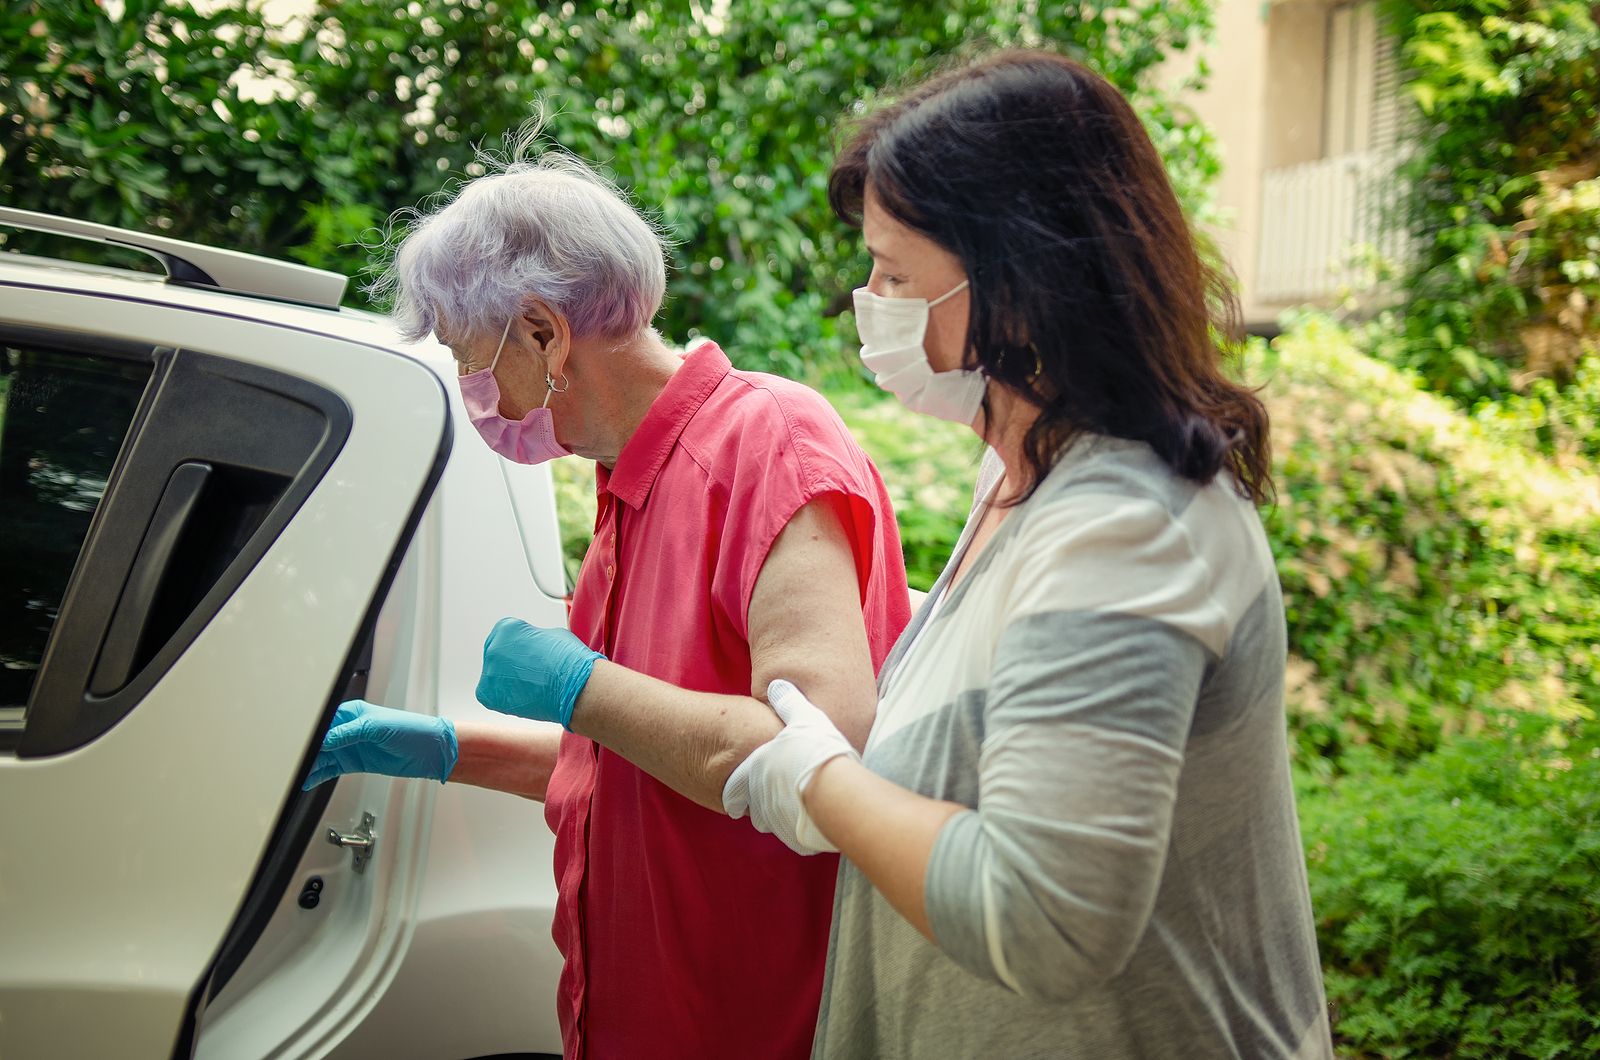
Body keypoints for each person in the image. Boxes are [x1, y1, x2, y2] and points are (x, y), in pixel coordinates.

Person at [483, 50, 1333, 1057]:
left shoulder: (1127, 529)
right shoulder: (1019, 488)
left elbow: (1043, 918)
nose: (867, 300)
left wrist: (811, 776)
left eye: (894, 272)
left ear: (1023, 280)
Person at [306, 151, 911, 1060]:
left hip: (748, 1027)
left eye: (476, 363)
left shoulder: (767, 442)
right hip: (630, 1017)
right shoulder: (627, 480)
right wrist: (445, 749)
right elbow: (633, 755)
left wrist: (579, 686)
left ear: (545, 333)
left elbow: (817, 760)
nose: (478, 396)